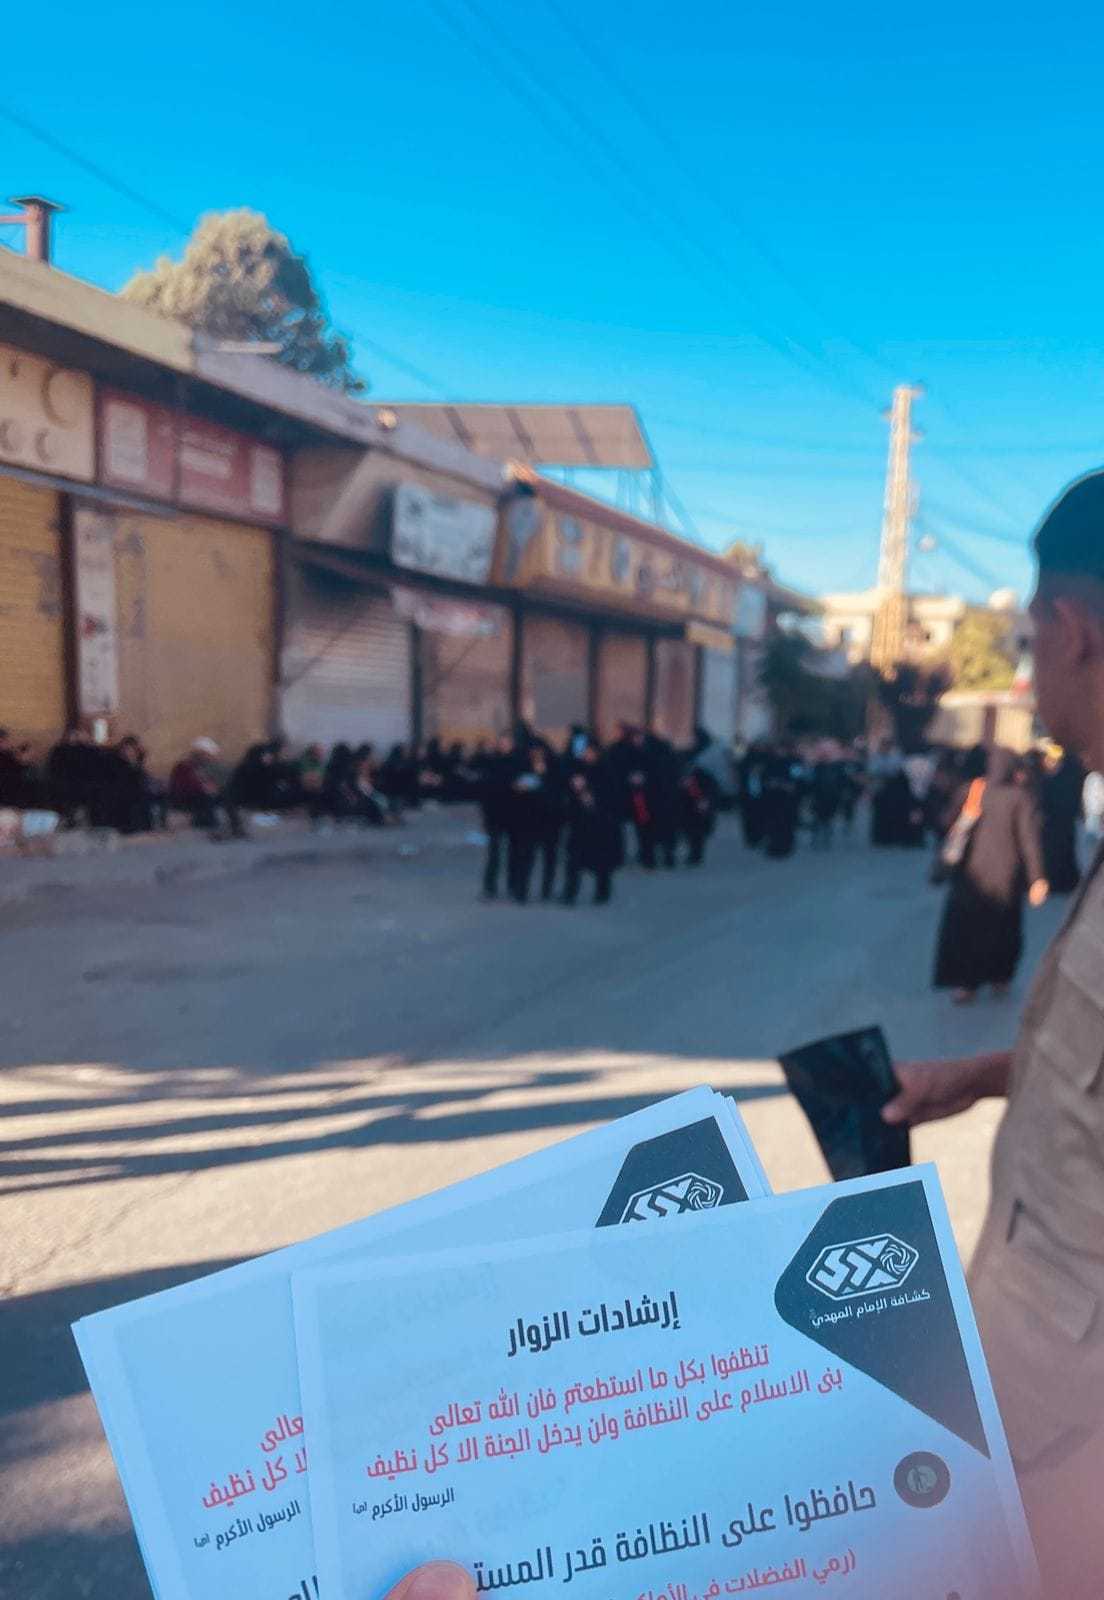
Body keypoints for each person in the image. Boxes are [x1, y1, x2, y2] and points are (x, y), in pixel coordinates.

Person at [882, 469, 1104, 1597]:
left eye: (1028, 636)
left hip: (1078, 1434)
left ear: (1070, 630)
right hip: (1030, 1378)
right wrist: (982, 1075)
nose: (1029, 666)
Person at [931, 746, 1048, 1002]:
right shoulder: (1019, 797)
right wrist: (1037, 878)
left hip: (969, 876)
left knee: (966, 931)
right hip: (1005, 878)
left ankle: (966, 984)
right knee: (1003, 931)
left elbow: (945, 824)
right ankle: (999, 977)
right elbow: (1028, 840)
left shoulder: (971, 791)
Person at [561, 740, 621, 905]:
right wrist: (575, 791)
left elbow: (613, 796)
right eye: (585, 752)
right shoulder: (577, 770)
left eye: (590, 752)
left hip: (601, 824)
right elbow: (567, 793)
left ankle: (602, 892)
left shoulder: (606, 771)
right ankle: (570, 893)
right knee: (573, 860)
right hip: (580, 823)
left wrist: (593, 799)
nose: (587, 755)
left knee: (602, 861)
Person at [505, 744, 562, 903]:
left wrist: (543, 779)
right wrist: (518, 789)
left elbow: (557, 794)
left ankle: (546, 889)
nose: (537, 757)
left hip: (550, 821)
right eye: (534, 753)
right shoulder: (522, 769)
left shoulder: (554, 771)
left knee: (549, 857)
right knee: (526, 856)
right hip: (528, 820)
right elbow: (513, 792)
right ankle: (521, 891)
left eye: (540, 753)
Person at [169, 737, 245, 838]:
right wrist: (203, 787)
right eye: (206, 754)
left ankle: (235, 826)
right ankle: (208, 823)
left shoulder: (205, 765)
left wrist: (212, 786)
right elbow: (184, 785)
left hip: (201, 794)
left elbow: (212, 780)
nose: (208, 757)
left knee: (226, 795)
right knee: (209, 799)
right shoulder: (184, 766)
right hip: (187, 797)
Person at [1039, 743, 1083, 893]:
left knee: (1056, 853)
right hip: (1067, 822)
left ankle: (1057, 881)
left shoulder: (1052, 779)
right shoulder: (1075, 775)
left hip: (1055, 822)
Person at [478, 734, 517, 901]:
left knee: (513, 853)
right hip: (495, 815)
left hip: (513, 815)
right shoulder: (493, 762)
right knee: (494, 853)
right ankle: (490, 887)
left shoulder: (518, 762)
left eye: (507, 742)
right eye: (503, 742)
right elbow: (486, 791)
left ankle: (513, 885)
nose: (505, 745)